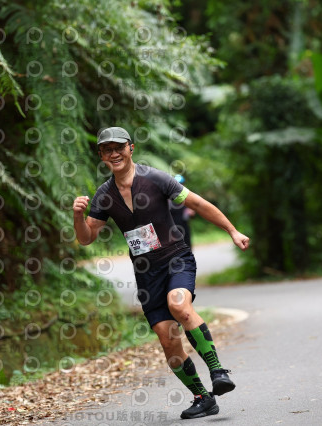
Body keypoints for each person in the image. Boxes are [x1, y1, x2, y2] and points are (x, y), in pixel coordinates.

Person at [72, 127, 250, 419]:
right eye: (107, 150)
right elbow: (86, 237)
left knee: (179, 305)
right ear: (102, 156)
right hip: (146, 274)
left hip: (176, 259)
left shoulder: (155, 178)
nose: (114, 154)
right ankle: (203, 398)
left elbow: (198, 204)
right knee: (168, 341)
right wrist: (78, 216)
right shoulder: (104, 195)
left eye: (119, 147)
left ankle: (218, 371)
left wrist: (232, 231)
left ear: (131, 148)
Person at [169, 174, 195, 248]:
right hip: (172, 229)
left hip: (184, 227)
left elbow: (192, 214)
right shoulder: (168, 198)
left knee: (187, 247)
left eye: (181, 184)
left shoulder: (187, 198)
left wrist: (191, 212)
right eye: (177, 184)